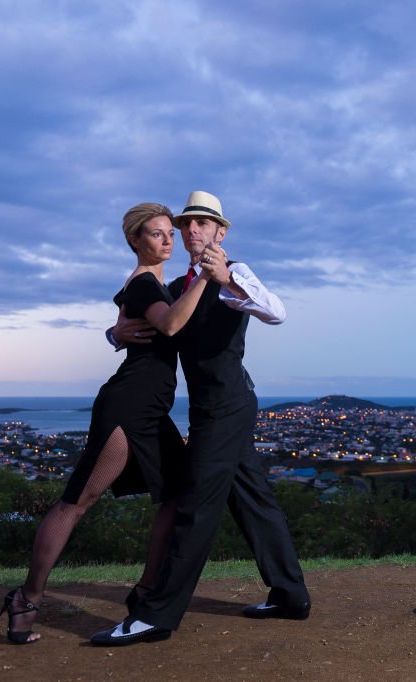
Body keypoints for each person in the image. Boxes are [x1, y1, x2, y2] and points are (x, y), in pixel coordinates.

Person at [90, 190, 309, 646]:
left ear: (220, 232)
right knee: (252, 501)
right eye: (186, 223)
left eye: (203, 223)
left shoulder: (237, 274)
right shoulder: (175, 290)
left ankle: (156, 615)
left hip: (230, 406)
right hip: (207, 410)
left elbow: (277, 312)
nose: (192, 230)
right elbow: (156, 327)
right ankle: (291, 595)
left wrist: (225, 277)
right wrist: (115, 332)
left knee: (194, 505)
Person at [0, 203, 209, 644]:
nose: (167, 240)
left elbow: (128, 319)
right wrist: (206, 275)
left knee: (177, 493)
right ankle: (26, 600)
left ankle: (147, 593)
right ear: (134, 240)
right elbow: (169, 325)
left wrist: (115, 333)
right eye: (156, 234)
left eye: (170, 232)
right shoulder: (145, 283)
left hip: (151, 410)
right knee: (78, 501)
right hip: (127, 408)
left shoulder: (152, 285)